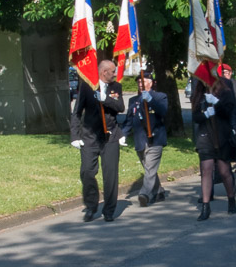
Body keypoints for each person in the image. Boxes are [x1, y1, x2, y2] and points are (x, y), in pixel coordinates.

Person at [70, 60, 125, 222]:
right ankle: (91, 205)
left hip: (110, 137)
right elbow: (77, 112)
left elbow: (120, 107)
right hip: (90, 137)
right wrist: (75, 135)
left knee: (110, 176)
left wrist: (105, 99)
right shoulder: (87, 86)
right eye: (113, 71)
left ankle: (109, 209)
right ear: (104, 72)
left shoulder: (116, 87)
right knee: (87, 172)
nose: (115, 74)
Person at [192, 77, 236, 221]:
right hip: (205, 135)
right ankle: (206, 206)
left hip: (222, 134)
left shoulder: (225, 91)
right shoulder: (199, 92)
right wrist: (205, 114)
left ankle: (231, 198)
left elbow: (230, 111)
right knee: (206, 169)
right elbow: (195, 116)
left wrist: (217, 103)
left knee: (224, 172)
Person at [122, 71, 168, 207]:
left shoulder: (160, 97)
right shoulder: (133, 100)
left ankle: (144, 194)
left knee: (150, 169)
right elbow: (129, 119)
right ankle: (159, 191)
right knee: (149, 169)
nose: (141, 84)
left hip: (155, 139)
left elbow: (163, 112)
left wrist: (151, 101)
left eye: (144, 81)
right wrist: (123, 134)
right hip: (140, 140)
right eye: (139, 82)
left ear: (151, 83)